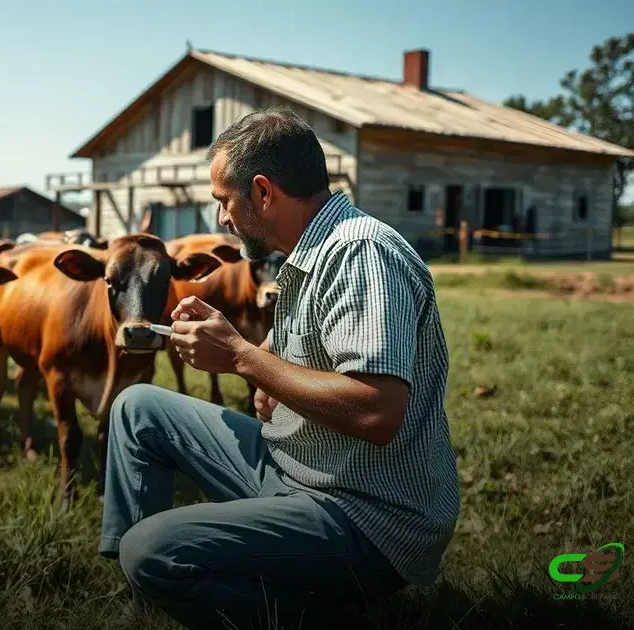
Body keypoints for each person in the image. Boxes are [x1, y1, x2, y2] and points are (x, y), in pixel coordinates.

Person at [98, 106, 460, 629]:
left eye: (224, 201)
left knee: (152, 551)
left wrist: (243, 358)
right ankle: (144, 598)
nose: (221, 218)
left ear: (264, 193)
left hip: (366, 514)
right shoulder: (305, 254)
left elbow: (377, 412)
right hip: (300, 467)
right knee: (137, 408)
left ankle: (337, 618)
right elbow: (291, 375)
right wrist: (260, 367)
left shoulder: (361, 255)